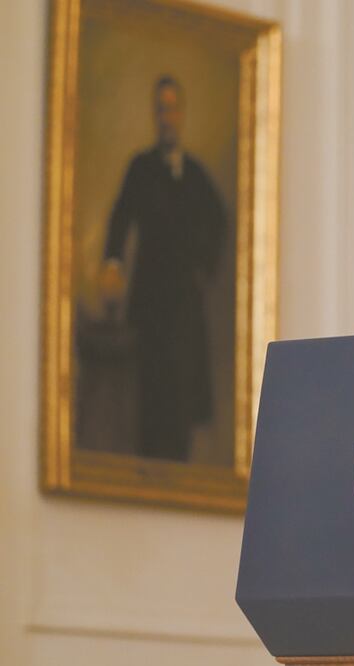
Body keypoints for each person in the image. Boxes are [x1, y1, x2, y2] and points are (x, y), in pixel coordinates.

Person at [99, 74, 226, 461]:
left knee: (181, 397)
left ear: (181, 114)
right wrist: (113, 263)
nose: (167, 117)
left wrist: (203, 266)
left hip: (185, 308)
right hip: (151, 303)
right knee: (151, 394)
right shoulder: (140, 167)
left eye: (173, 108)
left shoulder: (197, 175)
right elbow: (120, 219)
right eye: (161, 109)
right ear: (155, 116)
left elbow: (220, 222)